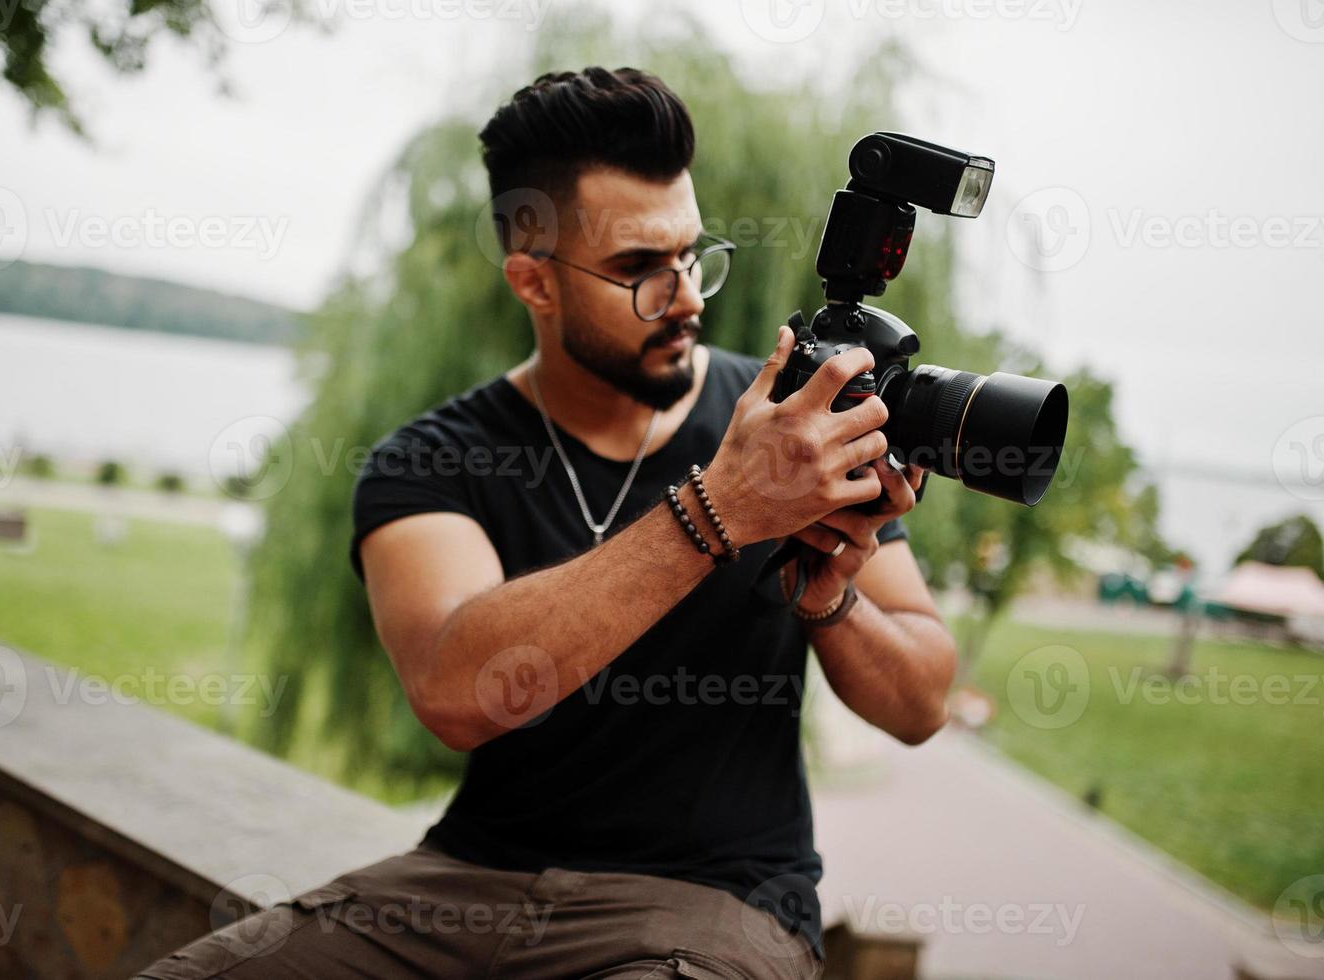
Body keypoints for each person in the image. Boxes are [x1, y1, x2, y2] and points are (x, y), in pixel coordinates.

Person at [137, 65, 957, 980]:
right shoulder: (431, 460)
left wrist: (829, 598)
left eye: (691, 254)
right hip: (461, 887)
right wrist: (723, 508)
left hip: (716, 903)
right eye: (639, 270)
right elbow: (457, 693)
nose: (685, 295)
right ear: (533, 282)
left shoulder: (792, 430)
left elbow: (922, 702)